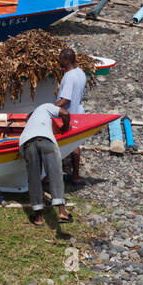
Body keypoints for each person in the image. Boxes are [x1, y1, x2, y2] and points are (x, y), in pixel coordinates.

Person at [20, 102, 72, 225]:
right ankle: (62, 212)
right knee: (55, 174)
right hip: (46, 140)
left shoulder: (28, 123)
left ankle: (38, 218)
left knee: (34, 179)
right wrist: (65, 127)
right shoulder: (44, 107)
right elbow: (65, 113)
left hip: (27, 143)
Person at [56, 47, 88, 186]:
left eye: (61, 58)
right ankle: (75, 175)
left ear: (66, 60)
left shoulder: (69, 77)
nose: (59, 60)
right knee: (75, 144)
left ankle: (49, 176)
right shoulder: (80, 72)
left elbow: (66, 99)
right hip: (79, 111)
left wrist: (50, 108)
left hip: (69, 114)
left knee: (57, 143)